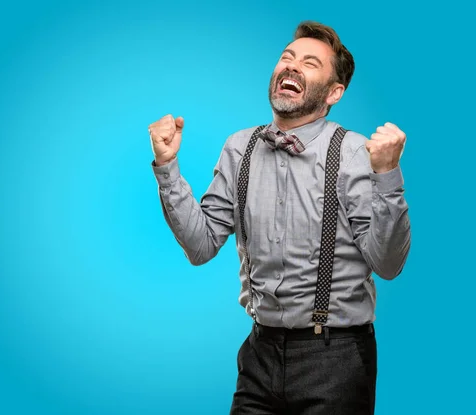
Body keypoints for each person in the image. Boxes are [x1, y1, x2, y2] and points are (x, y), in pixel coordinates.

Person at [147, 21, 410, 415]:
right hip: (259, 353)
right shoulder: (240, 148)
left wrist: (387, 174)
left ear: (334, 92)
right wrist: (167, 166)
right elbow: (200, 246)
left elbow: (388, 264)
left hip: (335, 357)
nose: (291, 66)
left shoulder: (357, 153)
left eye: (309, 63)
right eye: (287, 57)